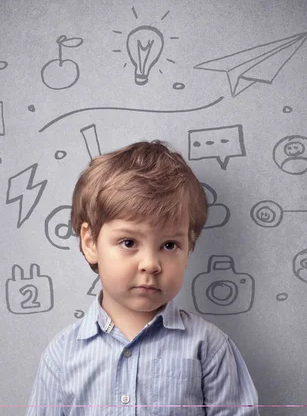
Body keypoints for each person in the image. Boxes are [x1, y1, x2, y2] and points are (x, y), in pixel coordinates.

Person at [26, 140, 260, 415]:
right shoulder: (62, 354)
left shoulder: (208, 347)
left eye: (169, 245)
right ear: (90, 243)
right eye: (128, 242)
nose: (150, 264)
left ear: (189, 247)